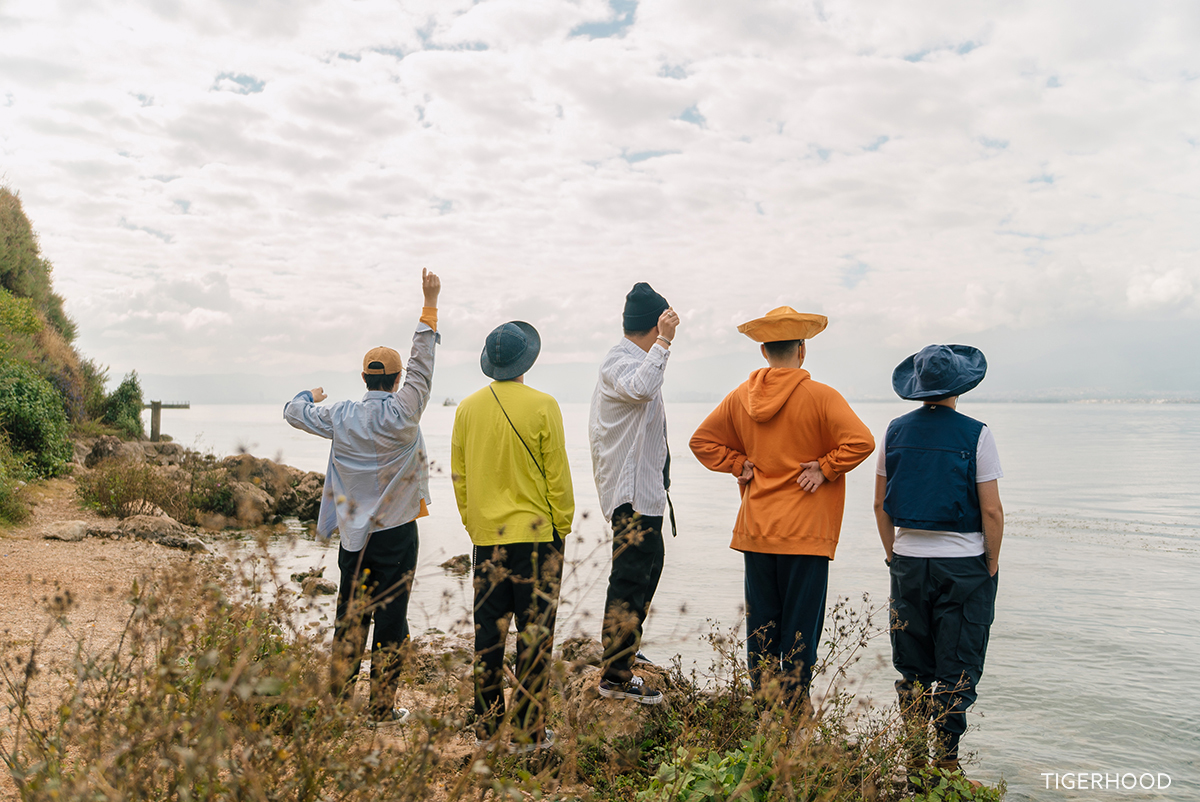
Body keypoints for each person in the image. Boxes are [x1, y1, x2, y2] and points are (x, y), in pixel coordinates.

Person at [689, 306, 874, 706]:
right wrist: (825, 467)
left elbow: (701, 441)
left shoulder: (740, 397)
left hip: (756, 530)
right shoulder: (822, 396)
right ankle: (794, 709)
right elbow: (862, 441)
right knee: (801, 629)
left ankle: (764, 707)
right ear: (802, 349)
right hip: (806, 533)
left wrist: (738, 463)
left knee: (761, 627)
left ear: (764, 351)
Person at [283, 268, 441, 723]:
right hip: (397, 534)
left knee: (350, 617)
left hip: (354, 538)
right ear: (396, 379)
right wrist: (429, 304)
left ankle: (337, 705)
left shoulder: (341, 415)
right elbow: (423, 363)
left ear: (363, 378)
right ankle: (381, 709)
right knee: (392, 620)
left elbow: (293, 411)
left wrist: (309, 393)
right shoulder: (405, 411)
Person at [873, 344, 1003, 786]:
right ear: (959, 387)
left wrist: (893, 555)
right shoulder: (977, 434)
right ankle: (946, 764)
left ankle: (912, 761)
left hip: (908, 563)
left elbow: (880, 505)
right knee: (958, 663)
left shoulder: (893, 431)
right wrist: (991, 562)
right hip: (964, 566)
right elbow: (992, 511)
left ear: (918, 386)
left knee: (912, 666)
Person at [451, 320, 574, 752]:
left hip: (487, 538)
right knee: (534, 635)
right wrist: (563, 525)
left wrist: (473, 522)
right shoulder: (544, 405)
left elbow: (460, 477)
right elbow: (557, 474)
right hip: (538, 538)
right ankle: (527, 733)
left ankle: (486, 730)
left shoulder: (466, 409)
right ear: (526, 362)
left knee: (488, 636)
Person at [589, 282, 679, 705]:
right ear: (654, 324)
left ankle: (625, 648)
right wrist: (664, 342)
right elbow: (642, 388)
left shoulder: (636, 362)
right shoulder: (620, 362)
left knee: (649, 568)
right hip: (630, 496)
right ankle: (615, 676)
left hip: (646, 493)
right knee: (629, 579)